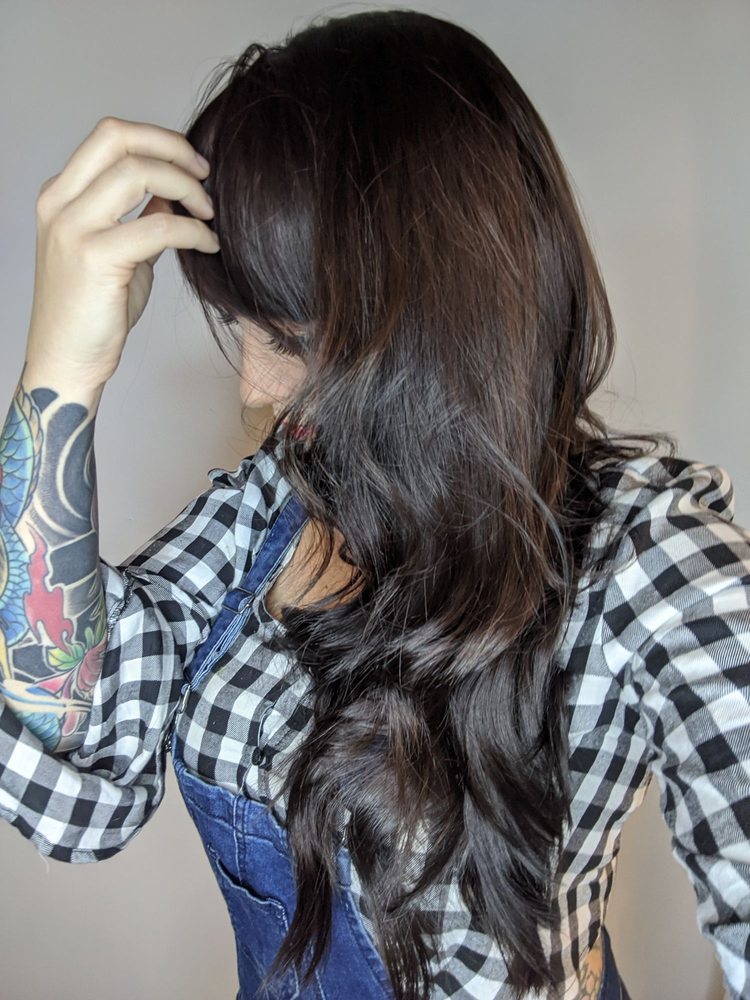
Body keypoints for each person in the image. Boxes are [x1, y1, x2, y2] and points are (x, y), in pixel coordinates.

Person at [1, 9, 748, 1000]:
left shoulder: (648, 561)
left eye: (286, 338)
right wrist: (60, 372)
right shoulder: (273, 503)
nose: (254, 390)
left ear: (433, 324)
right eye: (239, 327)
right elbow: (72, 772)